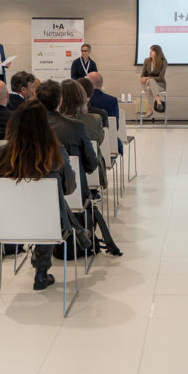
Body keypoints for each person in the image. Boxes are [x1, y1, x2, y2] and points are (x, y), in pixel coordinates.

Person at [0, 100, 79, 290]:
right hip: (49, 225)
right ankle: (41, 271)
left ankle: (40, 266)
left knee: (44, 213)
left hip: (8, 224)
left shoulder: (4, 153)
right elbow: (69, 187)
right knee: (49, 212)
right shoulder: (55, 152)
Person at [38, 80, 120, 255]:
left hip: (37, 197)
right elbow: (92, 164)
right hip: (74, 191)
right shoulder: (77, 126)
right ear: (59, 100)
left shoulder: (31, 128)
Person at [139, 44, 168, 120]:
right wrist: (143, 79)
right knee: (149, 83)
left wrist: (149, 78)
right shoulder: (147, 61)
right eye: (150, 50)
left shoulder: (163, 62)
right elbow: (143, 75)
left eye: (152, 50)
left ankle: (150, 110)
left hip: (159, 85)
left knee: (150, 86)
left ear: (157, 52)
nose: (150, 52)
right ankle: (158, 102)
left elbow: (161, 77)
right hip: (146, 83)